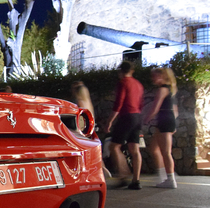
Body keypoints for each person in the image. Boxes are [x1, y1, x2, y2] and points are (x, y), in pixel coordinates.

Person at [104, 61, 144, 190]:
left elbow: (118, 104)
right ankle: (136, 180)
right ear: (132, 71)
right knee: (135, 149)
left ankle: (123, 175)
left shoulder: (123, 83)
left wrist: (110, 121)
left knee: (114, 146)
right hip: (137, 117)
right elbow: (140, 103)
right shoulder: (138, 84)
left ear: (121, 71)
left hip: (126, 116)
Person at [144, 68, 178, 188]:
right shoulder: (170, 89)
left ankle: (170, 178)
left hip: (164, 120)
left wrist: (145, 120)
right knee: (154, 148)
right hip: (167, 120)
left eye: (155, 76)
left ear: (162, 76)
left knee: (166, 152)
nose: (153, 78)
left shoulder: (162, 90)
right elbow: (175, 109)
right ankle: (164, 175)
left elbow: (155, 108)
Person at [71, 81, 112, 178]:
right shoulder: (88, 102)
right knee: (94, 152)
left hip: (81, 130)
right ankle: (103, 170)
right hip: (89, 129)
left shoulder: (79, 102)